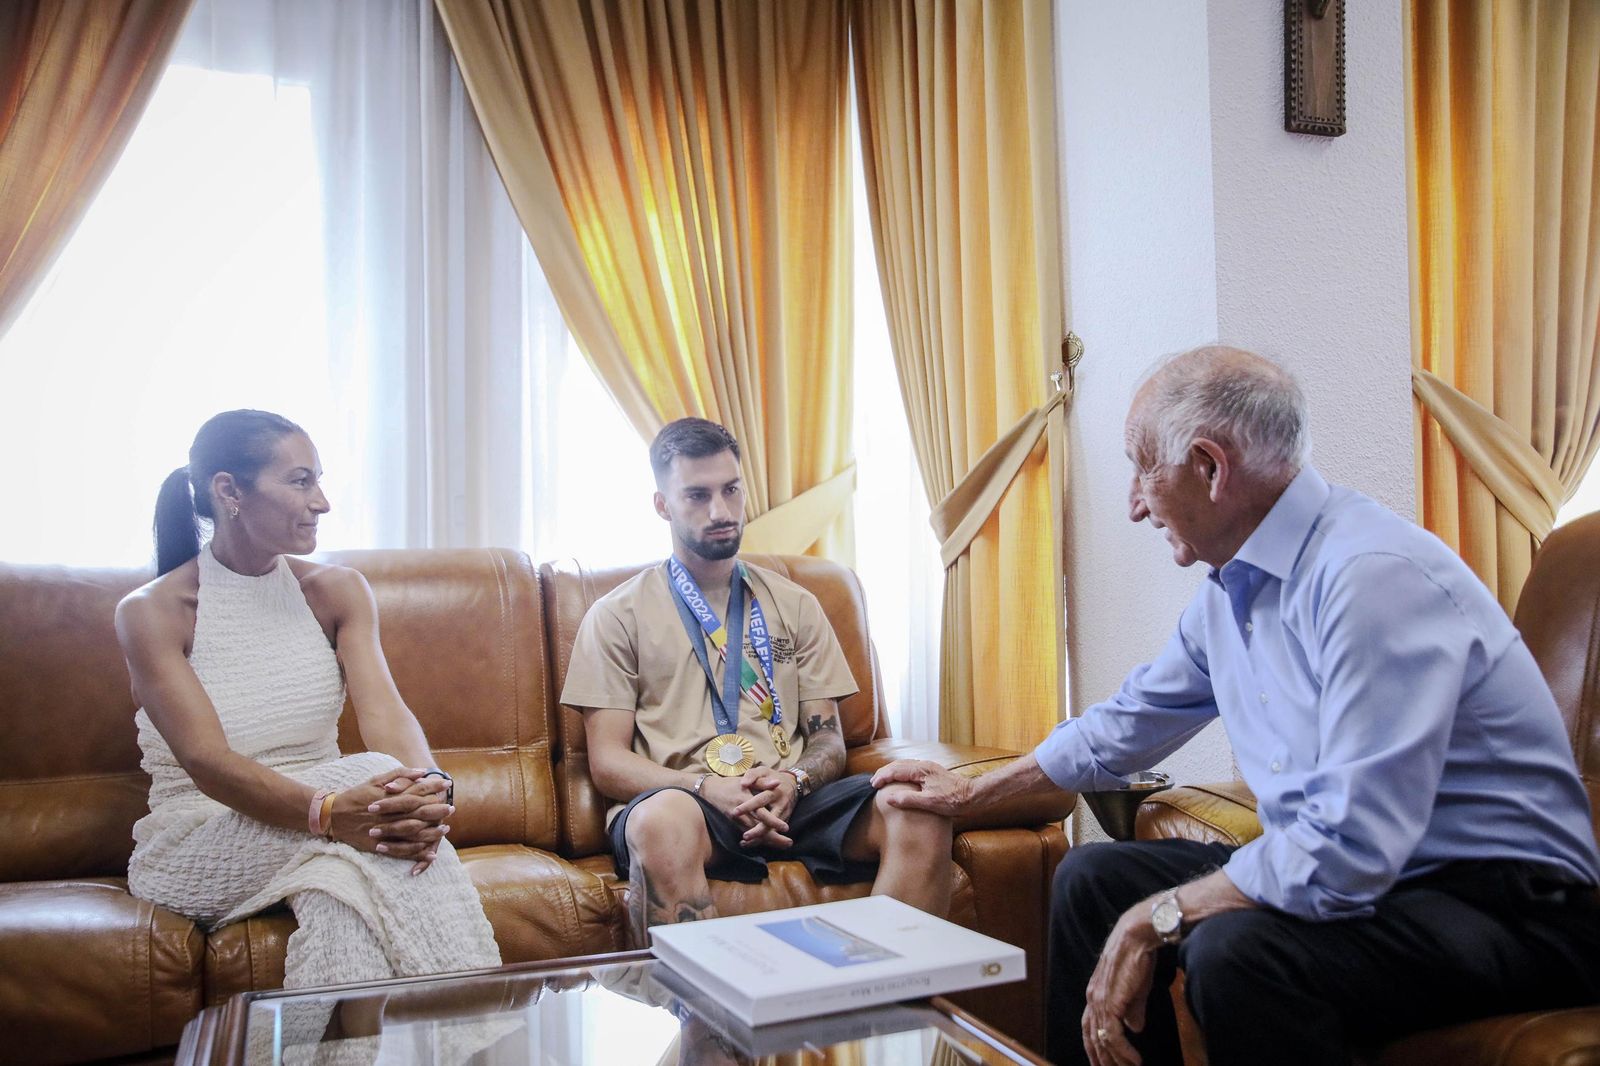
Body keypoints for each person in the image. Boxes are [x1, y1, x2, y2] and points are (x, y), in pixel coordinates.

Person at [872, 347, 1600, 1066]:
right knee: (1094, 879)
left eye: (1141, 465)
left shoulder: (1372, 580)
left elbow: (1350, 849)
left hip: (1510, 910)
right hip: (1384, 890)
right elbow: (1124, 726)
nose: (1132, 503)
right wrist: (970, 792)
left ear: (1210, 468)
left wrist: (1157, 919)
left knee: (1235, 952)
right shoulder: (1231, 592)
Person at [117, 409, 501, 996]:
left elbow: (386, 714)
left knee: (339, 891)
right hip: (196, 837)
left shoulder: (336, 591)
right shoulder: (151, 613)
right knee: (375, 784)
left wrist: (428, 788)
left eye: (318, 480)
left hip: (335, 826)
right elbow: (206, 762)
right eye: (300, 481)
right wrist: (329, 813)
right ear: (229, 491)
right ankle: (475, 1027)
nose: (321, 501)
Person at [561, 417, 952, 943]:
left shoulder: (796, 604)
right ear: (662, 505)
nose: (720, 511)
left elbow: (828, 739)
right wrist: (707, 787)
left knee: (916, 805)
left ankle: (880, 1002)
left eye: (731, 490)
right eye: (697, 496)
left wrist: (796, 781)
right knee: (661, 821)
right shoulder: (616, 616)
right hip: (689, 802)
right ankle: (708, 1018)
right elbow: (607, 763)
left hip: (792, 797)